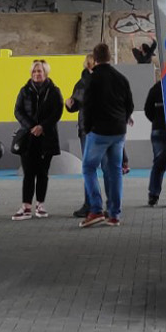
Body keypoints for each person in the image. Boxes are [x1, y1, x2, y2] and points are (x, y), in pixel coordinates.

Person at [73, 43, 134, 228]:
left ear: (95, 58)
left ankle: (96, 210)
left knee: (88, 168)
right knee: (115, 172)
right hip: (118, 132)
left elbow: (88, 106)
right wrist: (121, 120)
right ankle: (114, 215)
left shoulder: (92, 80)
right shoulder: (121, 78)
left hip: (98, 132)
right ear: (110, 57)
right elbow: (129, 105)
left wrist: (88, 128)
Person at [10, 59, 63, 219]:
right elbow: (18, 111)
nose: (36, 74)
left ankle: (40, 205)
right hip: (28, 138)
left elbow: (57, 112)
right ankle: (26, 207)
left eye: (39, 71)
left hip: (47, 138)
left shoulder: (54, 91)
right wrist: (32, 126)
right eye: (34, 71)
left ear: (45, 73)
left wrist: (42, 127)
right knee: (28, 173)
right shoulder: (24, 90)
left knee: (42, 173)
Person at [65, 53, 95, 218]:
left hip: (97, 129)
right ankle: (90, 204)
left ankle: (93, 205)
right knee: (90, 168)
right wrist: (69, 104)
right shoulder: (81, 83)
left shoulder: (101, 81)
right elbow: (75, 104)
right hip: (87, 130)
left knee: (96, 168)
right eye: (90, 64)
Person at [144, 77, 166, 207]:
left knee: (158, 163)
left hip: (158, 129)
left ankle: (153, 195)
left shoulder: (155, 88)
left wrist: (156, 120)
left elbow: (147, 110)